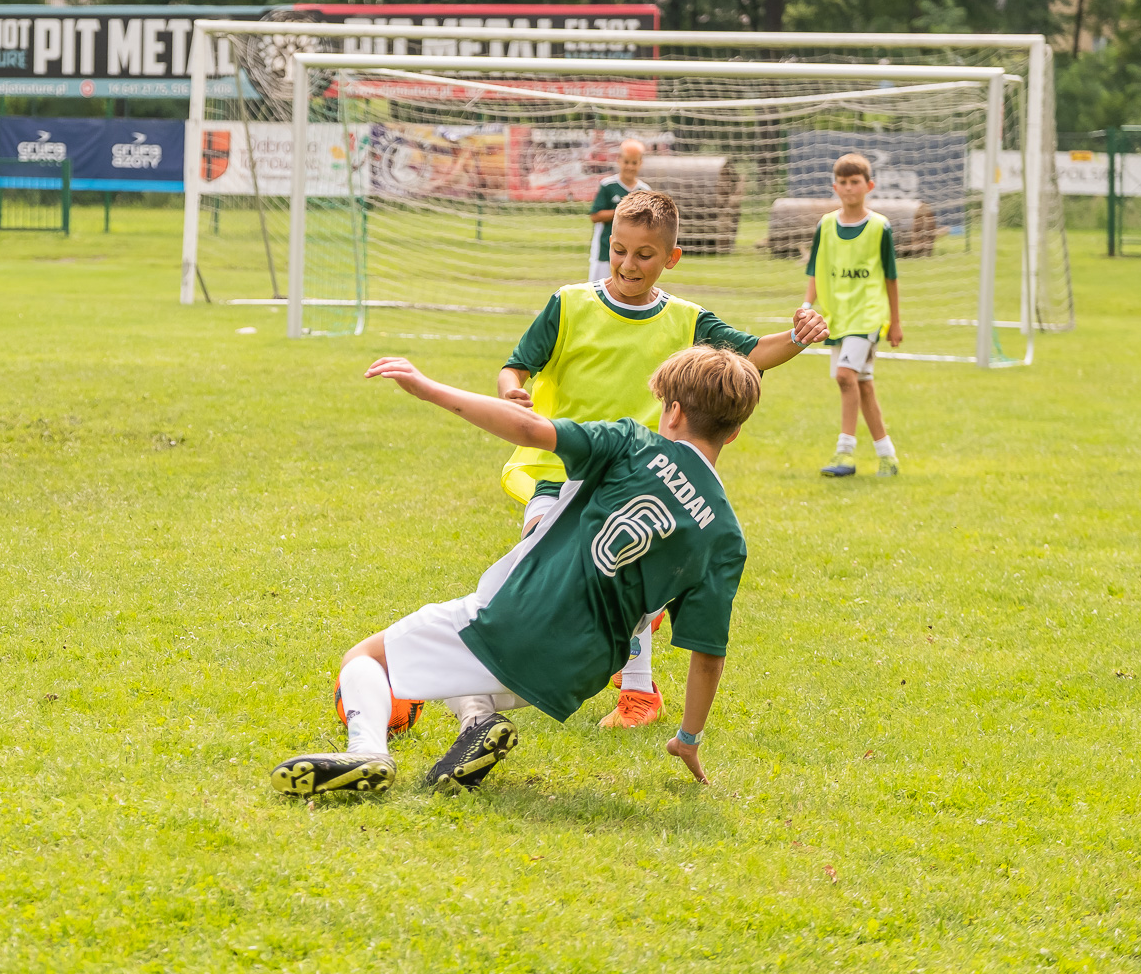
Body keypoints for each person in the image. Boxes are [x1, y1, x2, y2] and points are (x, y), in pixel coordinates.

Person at [270, 346, 762, 797]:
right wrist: (688, 738)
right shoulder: (725, 536)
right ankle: (478, 725)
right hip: (579, 669)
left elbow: (529, 430)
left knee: (365, 659)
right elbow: (708, 655)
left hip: (515, 620)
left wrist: (426, 387)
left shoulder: (632, 444)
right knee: (467, 665)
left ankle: (367, 754)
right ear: (734, 431)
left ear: (672, 410)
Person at [468, 189, 824, 732]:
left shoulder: (686, 319)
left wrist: (798, 338)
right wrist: (510, 390)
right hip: (559, 469)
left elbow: (749, 354)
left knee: (614, 575)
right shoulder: (569, 303)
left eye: (644, 255)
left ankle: (635, 693)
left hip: (637, 477)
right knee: (548, 560)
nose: (628, 265)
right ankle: (482, 654)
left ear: (671, 258)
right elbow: (517, 366)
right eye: (618, 250)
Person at [805, 153, 902, 478]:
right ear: (835, 187)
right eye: (843, 183)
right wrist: (807, 307)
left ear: (869, 185)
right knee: (862, 386)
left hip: (867, 316)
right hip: (838, 316)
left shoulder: (879, 227)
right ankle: (887, 456)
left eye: (855, 182)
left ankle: (844, 454)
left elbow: (891, 277)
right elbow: (815, 271)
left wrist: (896, 321)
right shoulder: (826, 225)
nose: (849, 188)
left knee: (845, 376)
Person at [587, 138, 652, 282]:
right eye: (626, 162)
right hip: (605, 250)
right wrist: (623, 212)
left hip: (632, 253)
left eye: (634, 163)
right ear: (619, 160)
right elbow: (595, 216)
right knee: (598, 291)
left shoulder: (645, 191)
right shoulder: (608, 186)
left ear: (640, 163)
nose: (630, 166)